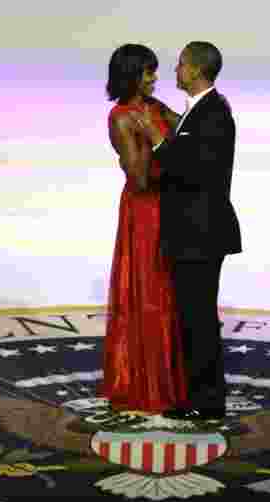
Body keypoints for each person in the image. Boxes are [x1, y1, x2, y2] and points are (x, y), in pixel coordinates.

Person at [131, 41, 242, 422]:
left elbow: (192, 170)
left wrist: (157, 138)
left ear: (195, 70)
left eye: (180, 65)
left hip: (201, 234)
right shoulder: (203, 110)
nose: (174, 71)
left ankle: (206, 403)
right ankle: (200, 395)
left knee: (198, 320)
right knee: (193, 317)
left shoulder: (213, 114)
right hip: (196, 232)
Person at [99, 44, 188, 413]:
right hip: (145, 212)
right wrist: (155, 140)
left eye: (154, 71)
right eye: (148, 72)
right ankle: (145, 384)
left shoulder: (154, 107)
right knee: (151, 292)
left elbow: (189, 132)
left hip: (170, 205)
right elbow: (138, 178)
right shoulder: (120, 118)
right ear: (131, 75)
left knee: (172, 292)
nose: (155, 78)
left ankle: (174, 379)